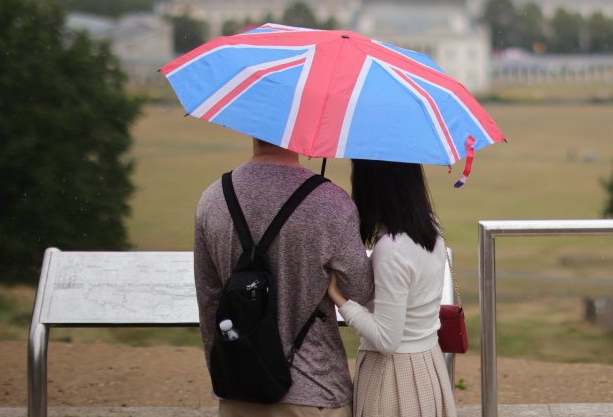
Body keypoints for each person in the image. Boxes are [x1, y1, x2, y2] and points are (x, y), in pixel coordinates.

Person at [194, 139, 374, 417]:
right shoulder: (332, 202)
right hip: (316, 391)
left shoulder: (212, 198)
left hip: (238, 390)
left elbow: (209, 301)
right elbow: (360, 291)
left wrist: (228, 371)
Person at [327, 159, 457, 417]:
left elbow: (387, 339)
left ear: (374, 183)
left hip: (394, 377)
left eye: (356, 171)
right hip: (428, 365)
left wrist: (339, 299)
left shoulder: (392, 250)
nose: (352, 179)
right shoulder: (430, 227)